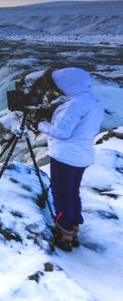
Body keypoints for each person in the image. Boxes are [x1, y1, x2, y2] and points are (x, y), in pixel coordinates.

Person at [37, 67, 104, 252]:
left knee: (61, 195)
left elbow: (62, 132)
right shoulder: (93, 103)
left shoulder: (74, 105)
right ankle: (74, 230)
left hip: (65, 157)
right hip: (82, 156)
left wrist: (41, 124)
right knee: (73, 194)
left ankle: (63, 235)